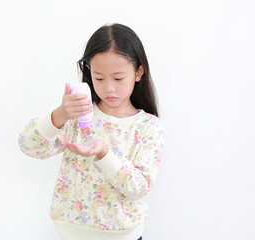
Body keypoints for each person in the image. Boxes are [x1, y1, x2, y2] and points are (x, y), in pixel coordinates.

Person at [18, 23, 165, 240]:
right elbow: (28, 146)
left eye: (118, 78)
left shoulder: (147, 126)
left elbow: (139, 187)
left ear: (138, 72)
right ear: (88, 72)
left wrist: (104, 154)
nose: (109, 88)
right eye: (99, 78)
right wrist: (59, 115)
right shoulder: (79, 116)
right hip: (70, 233)